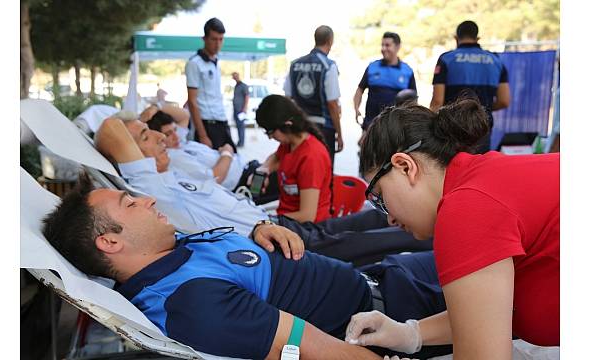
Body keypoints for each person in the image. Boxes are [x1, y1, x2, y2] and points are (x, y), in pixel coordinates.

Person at [41, 172, 448, 359]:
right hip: (398, 316)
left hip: (387, 276)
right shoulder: (191, 302)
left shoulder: (170, 252)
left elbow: (234, 260)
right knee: (506, 287)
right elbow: (320, 353)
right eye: (130, 204)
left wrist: (260, 230)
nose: (147, 200)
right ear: (110, 242)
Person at [345, 98, 559, 358]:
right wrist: (411, 333)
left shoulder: (466, 208)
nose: (389, 219)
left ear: (405, 166)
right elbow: (489, 312)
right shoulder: (482, 178)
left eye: (379, 198)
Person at [94, 116, 433, 266]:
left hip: (278, 224)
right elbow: (110, 128)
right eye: (144, 136)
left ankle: (443, 221)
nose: (160, 137)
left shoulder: (168, 175)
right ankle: (448, 235)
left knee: (372, 219)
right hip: (274, 243)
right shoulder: (149, 188)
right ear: (130, 155)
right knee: (388, 238)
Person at [429, 20, 510, 153]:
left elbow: (438, 101)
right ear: (477, 38)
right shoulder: (495, 61)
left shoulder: (446, 59)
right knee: (479, 170)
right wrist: (484, 108)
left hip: (452, 130)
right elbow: (504, 101)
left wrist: (430, 127)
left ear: (456, 38)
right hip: (482, 127)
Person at [255, 95, 332, 223]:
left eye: (271, 132)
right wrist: (264, 169)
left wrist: (269, 220)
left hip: (308, 229)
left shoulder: (311, 157)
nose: (270, 137)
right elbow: (275, 157)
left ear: (287, 125)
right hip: (286, 220)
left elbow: (307, 216)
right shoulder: (289, 143)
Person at [284, 25, 343, 163]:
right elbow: (332, 104)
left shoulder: (295, 64)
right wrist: (339, 134)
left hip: (299, 127)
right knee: (323, 170)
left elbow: (287, 98)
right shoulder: (329, 66)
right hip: (323, 128)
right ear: (330, 41)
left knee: (300, 166)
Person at [185, 17, 236, 151]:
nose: (218, 44)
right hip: (207, 124)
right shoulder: (194, 63)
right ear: (204, 39)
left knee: (232, 158)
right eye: (214, 39)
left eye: (221, 39)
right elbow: (192, 100)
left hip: (221, 120)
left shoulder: (216, 61)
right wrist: (202, 135)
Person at [353, 32, 417, 132]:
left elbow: (413, 99)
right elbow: (360, 90)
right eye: (382, 45)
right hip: (371, 126)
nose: (383, 49)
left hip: (395, 128)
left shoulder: (407, 71)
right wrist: (356, 109)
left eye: (387, 45)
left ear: (397, 47)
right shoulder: (372, 67)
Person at [231, 72, 249, 147]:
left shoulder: (243, 86)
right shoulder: (236, 86)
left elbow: (247, 97)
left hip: (241, 110)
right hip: (236, 109)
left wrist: (244, 108)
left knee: (241, 126)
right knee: (238, 126)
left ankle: (241, 142)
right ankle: (239, 141)